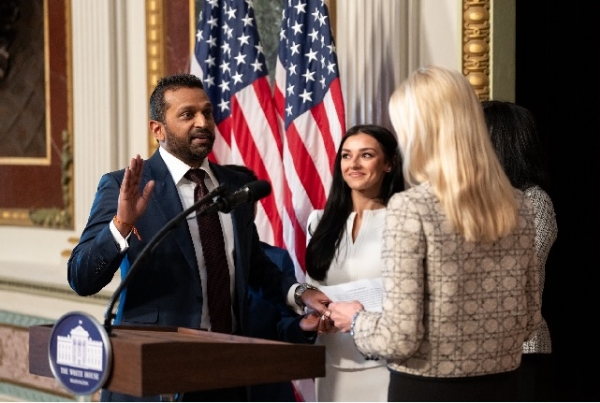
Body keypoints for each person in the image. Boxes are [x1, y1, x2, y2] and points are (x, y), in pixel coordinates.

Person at [67, 73, 330, 402]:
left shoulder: (233, 185)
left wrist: (300, 294)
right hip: (157, 377)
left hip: (226, 374)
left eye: (207, 112)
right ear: (157, 129)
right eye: (188, 114)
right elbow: (81, 277)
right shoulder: (124, 186)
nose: (203, 122)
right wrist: (121, 224)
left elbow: (255, 268)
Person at [327, 66, 542, 401]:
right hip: (503, 386)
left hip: (428, 389)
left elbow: (399, 339)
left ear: (421, 131)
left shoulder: (410, 208)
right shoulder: (519, 204)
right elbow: (528, 320)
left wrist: (356, 319)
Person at [304, 124, 405, 401]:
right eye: (346, 156)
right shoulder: (318, 221)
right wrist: (314, 315)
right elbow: (310, 288)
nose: (354, 164)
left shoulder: (405, 220)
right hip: (332, 363)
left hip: (386, 364)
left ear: (389, 164)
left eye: (366, 155)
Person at [482, 100, 558, 401]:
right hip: (470, 349)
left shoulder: (533, 201)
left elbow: (515, 274)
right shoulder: (466, 202)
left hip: (518, 349)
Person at [223, 163, 315, 402]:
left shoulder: (276, 260)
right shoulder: (199, 263)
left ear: (254, 208)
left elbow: (284, 329)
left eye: (244, 201)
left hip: (266, 388)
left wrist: (303, 326)